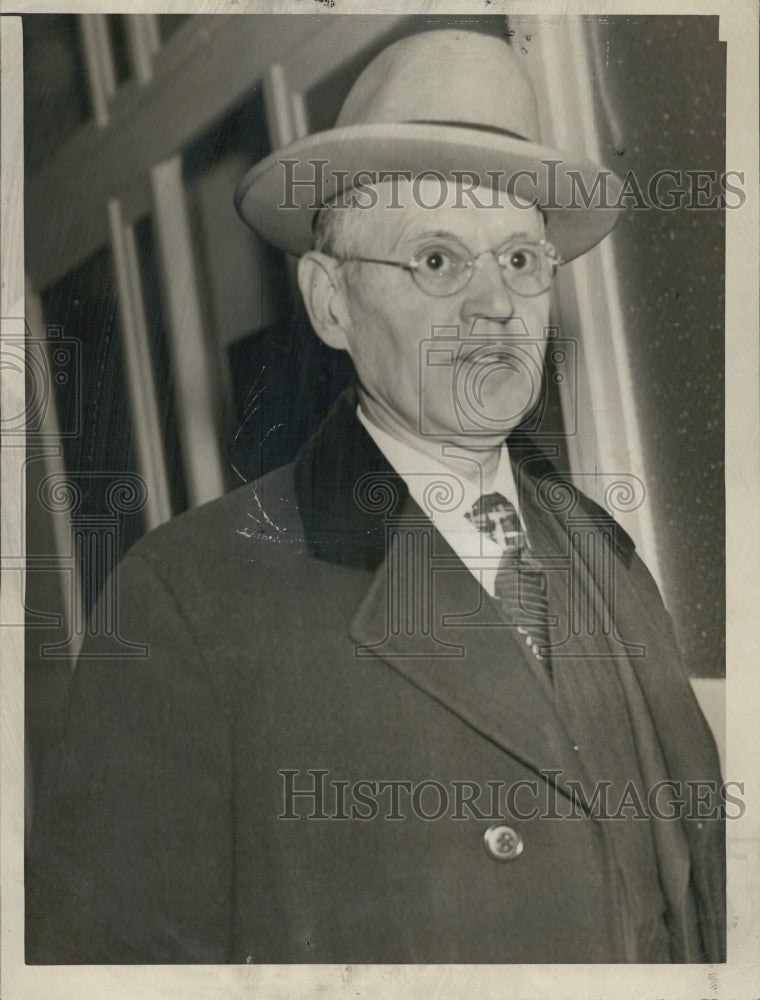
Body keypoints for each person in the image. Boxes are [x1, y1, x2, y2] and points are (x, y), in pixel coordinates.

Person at [26, 29, 725, 965]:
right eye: (437, 261)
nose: (495, 305)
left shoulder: (604, 549)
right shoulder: (188, 601)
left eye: (521, 260)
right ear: (330, 303)